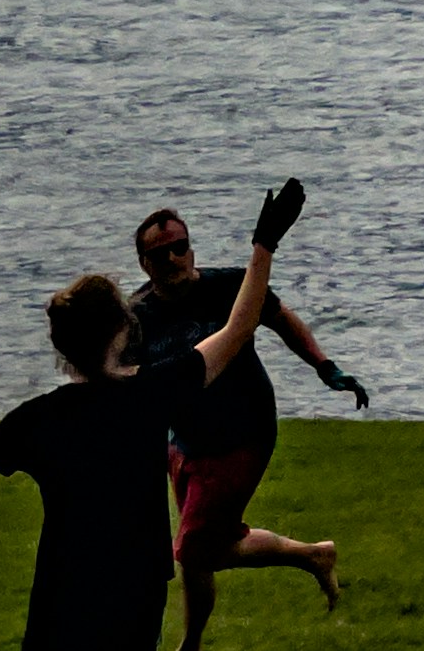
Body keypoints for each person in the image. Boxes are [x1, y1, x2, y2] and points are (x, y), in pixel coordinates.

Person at [0, 182, 319, 651]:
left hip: (63, 591)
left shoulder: (40, 418)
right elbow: (240, 326)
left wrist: (12, 432)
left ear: (62, 347)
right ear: (124, 329)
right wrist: (263, 245)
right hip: (137, 589)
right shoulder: (153, 392)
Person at [128, 208, 361, 648]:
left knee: (192, 549)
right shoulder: (136, 316)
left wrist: (324, 366)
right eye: (160, 253)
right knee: (209, 547)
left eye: (180, 247)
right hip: (184, 442)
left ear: (191, 248)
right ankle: (314, 555)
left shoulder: (229, 286)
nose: (174, 258)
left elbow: (281, 318)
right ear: (144, 263)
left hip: (243, 432)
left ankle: (189, 646)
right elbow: (125, 381)